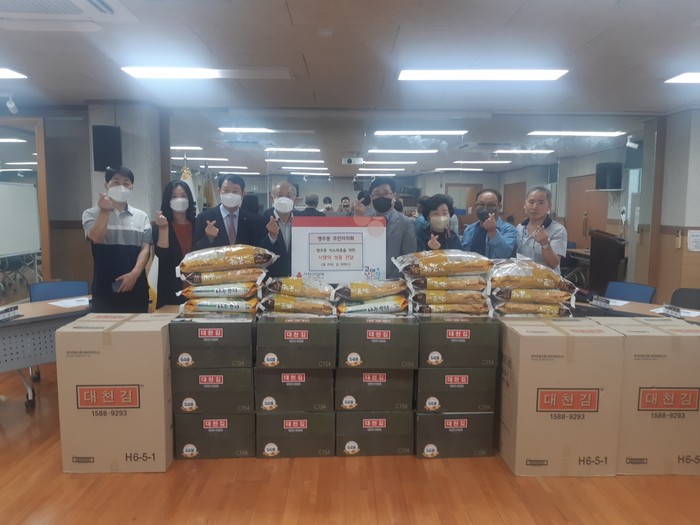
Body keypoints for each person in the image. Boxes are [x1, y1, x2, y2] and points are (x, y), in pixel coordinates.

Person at [82, 166, 152, 313]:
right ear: (106, 185)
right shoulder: (91, 213)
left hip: (136, 287)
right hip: (105, 288)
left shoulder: (142, 216)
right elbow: (96, 237)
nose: (121, 187)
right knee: (106, 327)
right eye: (116, 182)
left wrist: (134, 274)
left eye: (126, 183)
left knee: (138, 327)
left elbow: (145, 249)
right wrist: (104, 211)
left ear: (132, 187)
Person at [354, 177, 417, 279]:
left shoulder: (406, 222)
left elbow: (408, 258)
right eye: (376, 194)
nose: (381, 197)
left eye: (385, 193)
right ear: (371, 198)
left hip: (395, 281)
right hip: (365, 278)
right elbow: (356, 247)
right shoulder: (364, 218)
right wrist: (358, 218)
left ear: (394, 196)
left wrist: (393, 281)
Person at [152, 180, 196, 308]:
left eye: (183, 196)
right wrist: (163, 229)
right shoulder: (160, 225)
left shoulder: (197, 224)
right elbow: (162, 256)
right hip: (171, 289)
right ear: (168, 200)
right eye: (174, 196)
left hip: (197, 288)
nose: (179, 200)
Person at [192, 174, 262, 250]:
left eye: (235, 191)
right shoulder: (204, 218)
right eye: (226, 191)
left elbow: (259, 249)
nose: (230, 195)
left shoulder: (253, 220)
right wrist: (209, 238)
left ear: (242, 194)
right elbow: (195, 250)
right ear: (219, 192)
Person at [516, 186, 568, 273]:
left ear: (549, 206)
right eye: (531, 202)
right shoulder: (519, 228)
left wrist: (545, 243)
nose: (535, 207)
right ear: (525, 205)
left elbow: (554, 264)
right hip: (522, 277)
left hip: (547, 279)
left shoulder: (558, 230)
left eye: (540, 203)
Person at [461, 188, 517, 259]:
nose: (485, 208)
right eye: (481, 204)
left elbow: (505, 254)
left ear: (499, 207)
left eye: (490, 205)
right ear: (475, 206)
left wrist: (492, 231)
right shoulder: (469, 229)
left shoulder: (508, 229)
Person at [260, 181, 297, 277]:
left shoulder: (302, 221)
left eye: (288, 196)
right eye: (279, 196)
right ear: (272, 199)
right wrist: (271, 237)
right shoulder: (262, 221)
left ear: (294, 200)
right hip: (272, 278)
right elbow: (258, 254)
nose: (284, 200)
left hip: (298, 276)